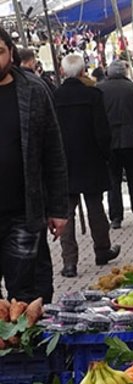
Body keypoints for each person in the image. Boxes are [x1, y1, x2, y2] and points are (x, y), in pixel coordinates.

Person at [0, 28, 68, 303]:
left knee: (27, 293)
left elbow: (53, 153)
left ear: (11, 52)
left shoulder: (33, 90)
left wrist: (58, 209)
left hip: (23, 213)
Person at [53, 54, 120, 278]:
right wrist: (106, 155)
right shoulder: (93, 95)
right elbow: (102, 130)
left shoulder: (55, 96)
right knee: (96, 208)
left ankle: (69, 262)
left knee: (66, 213)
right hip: (91, 159)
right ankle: (102, 250)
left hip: (64, 162)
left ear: (63, 72)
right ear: (83, 71)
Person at [97, 60, 133, 229]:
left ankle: (116, 217)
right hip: (132, 139)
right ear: (124, 72)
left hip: (109, 140)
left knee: (113, 180)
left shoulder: (100, 89)